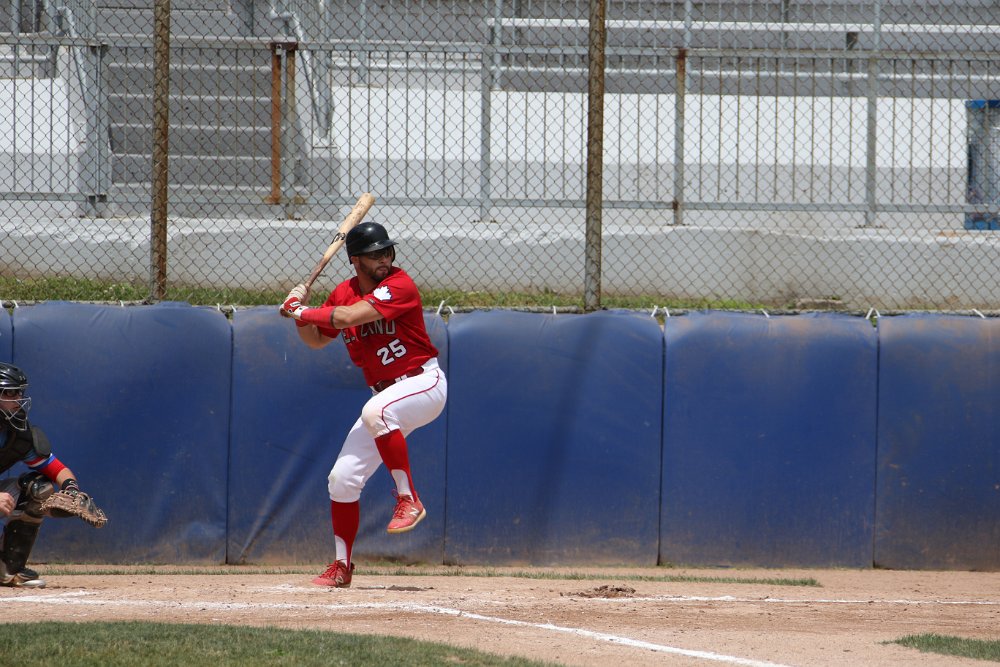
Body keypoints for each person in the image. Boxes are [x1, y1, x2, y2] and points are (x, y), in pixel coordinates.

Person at [280, 221, 447, 589]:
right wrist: (297, 313)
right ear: (355, 260)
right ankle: (342, 566)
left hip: (423, 382)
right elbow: (315, 339)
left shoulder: (399, 285)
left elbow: (348, 317)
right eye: (375, 255)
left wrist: (300, 310)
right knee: (342, 480)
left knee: (376, 412)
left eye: (387, 251)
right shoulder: (342, 292)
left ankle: (408, 499)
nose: (384, 259)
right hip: (385, 397)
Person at [0, 362, 104, 588]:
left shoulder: (17, 434)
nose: (18, 398)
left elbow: (57, 470)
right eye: (10, 392)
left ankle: (8, 568)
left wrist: (72, 490)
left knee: (40, 488)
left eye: (19, 392)